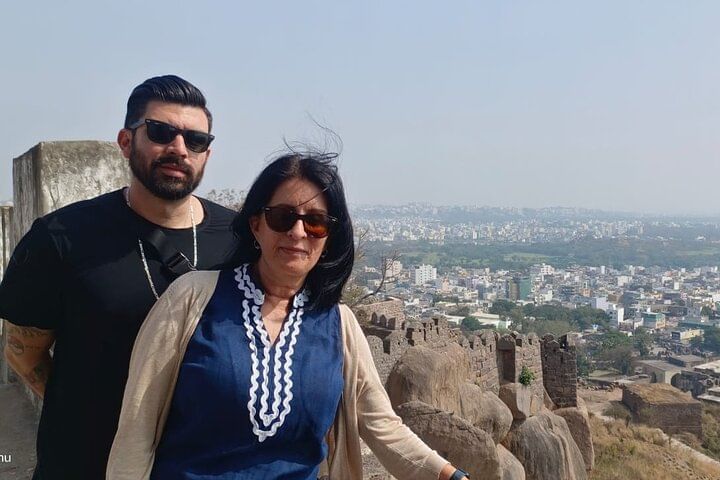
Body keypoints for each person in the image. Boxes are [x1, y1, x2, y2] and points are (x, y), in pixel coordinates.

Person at [106, 152, 470, 480]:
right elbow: (137, 425)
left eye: (315, 222)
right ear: (256, 224)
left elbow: (382, 427)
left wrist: (450, 476)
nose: (298, 232)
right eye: (282, 217)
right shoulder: (193, 298)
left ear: (328, 237)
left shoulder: (338, 324)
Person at [0, 75, 240, 480]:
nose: (179, 148)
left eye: (195, 140)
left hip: (198, 464)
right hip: (84, 463)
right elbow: (22, 353)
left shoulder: (239, 241)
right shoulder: (61, 238)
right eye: (161, 132)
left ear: (206, 154)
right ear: (126, 142)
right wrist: (92, 407)